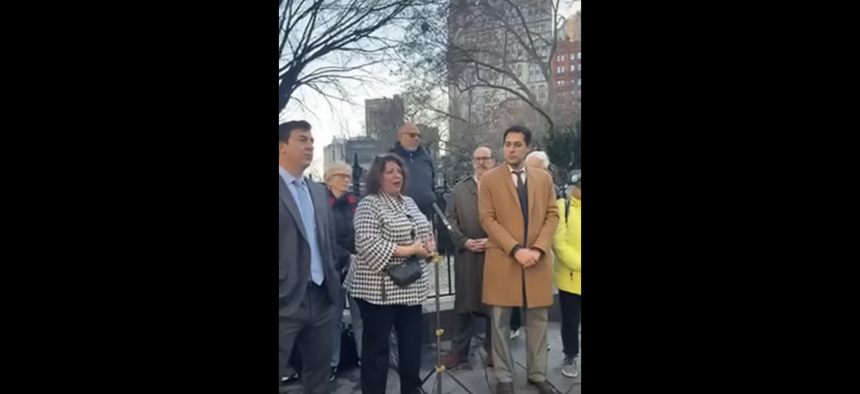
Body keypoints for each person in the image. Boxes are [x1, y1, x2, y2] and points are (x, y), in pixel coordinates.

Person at [478, 126, 560, 394]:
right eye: (507, 144)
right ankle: (504, 378)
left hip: (536, 261)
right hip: (504, 259)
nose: (510, 149)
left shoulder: (543, 178)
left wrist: (537, 249)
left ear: (527, 147)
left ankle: (537, 374)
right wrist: (515, 249)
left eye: (516, 144)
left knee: (538, 320)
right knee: (500, 320)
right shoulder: (489, 179)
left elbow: (552, 215)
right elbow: (487, 219)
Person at [347, 154, 434, 394]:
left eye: (400, 171)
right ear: (378, 176)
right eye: (390, 172)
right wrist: (411, 249)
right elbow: (368, 244)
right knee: (377, 350)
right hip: (378, 292)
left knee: (411, 346)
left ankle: (411, 389)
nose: (397, 176)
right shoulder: (369, 204)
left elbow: (425, 231)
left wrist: (428, 246)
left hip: (411, 288)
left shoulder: (409, 202)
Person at [279, 121, 341, 394]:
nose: (310, 145)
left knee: (318, 377)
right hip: (284, 302)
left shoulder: (317, 192)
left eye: (312, 140)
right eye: (302, 140)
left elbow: (327, 241)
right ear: (281, 147)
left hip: (321, 298)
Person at [441, 147, 495, 370]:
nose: (481, 162)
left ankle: (494, 351)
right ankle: (459, 352)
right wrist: (463, 241)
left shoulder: (502, 186)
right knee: (464, 304)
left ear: (493, 161)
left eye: (486, 158)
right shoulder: (460, 189)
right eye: (478, 159)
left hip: (495, 253)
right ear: (473, 162)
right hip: (467, 255)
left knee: (495, 304)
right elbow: (449, 220)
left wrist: (493, 240)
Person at [323, 162, 360, 381]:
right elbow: (323, 237)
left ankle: (365, 358)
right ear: (329, 179)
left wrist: (356, 256)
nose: (346, 180)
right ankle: (331, 363)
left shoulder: (355, 202)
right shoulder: (322, 204)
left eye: (348, 176)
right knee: (333, 317)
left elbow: (362, 230)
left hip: (355, 266)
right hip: (333, 267)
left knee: (360, 316)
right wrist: (344, 256)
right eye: (341, 176)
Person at [553, 174, 581, 379]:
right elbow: (559, 244)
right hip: (570, 278)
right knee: (570, 320)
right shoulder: (563, 207)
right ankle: (570, 355)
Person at [390, 123, 436, 220]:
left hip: (425, 212)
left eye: (418, 136)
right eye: (412, 135)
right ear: (400, 137)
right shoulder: (391, 158)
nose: (416, 138)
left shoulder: (426, 158)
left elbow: (432, 181)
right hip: (399, 212)